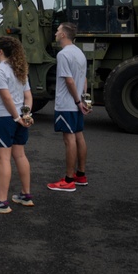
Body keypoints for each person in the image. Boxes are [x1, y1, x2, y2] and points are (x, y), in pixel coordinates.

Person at [0, 36, 34, 214]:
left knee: (3, 160)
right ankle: (26, 195)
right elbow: (28, 96)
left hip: (4, 118)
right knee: (20, 155)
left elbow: (6, 97)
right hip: (18, 118)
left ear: (1, 51)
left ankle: (2, 201)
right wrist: (25, 115)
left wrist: (17, 117)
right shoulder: (20, 69)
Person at [47, 23, 91, 192]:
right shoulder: (79, 53)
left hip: (67, 103)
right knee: (79, 136)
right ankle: (81, 175)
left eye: (58, 31)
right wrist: (83, 99)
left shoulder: (63, 55)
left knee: (69, 139)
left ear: (64, 35)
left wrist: (77, 102)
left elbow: (69, 80)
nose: (56, 33)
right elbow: (83, 78)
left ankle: (68, 179)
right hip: (76, 102)